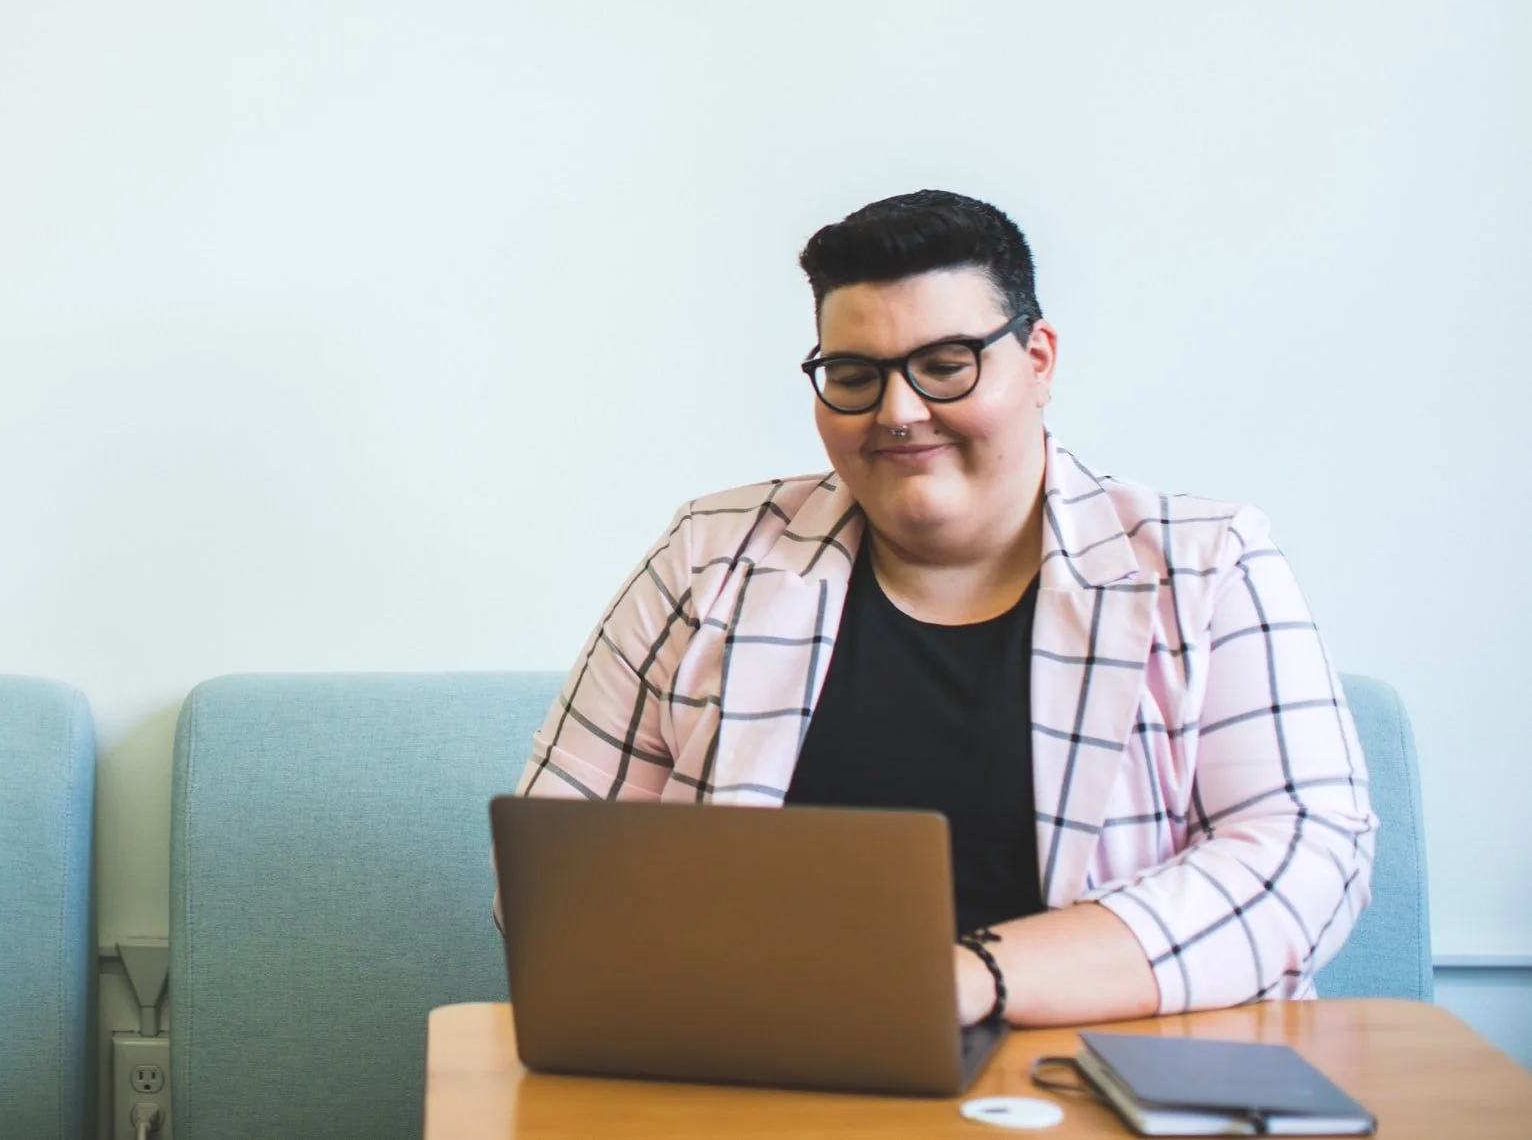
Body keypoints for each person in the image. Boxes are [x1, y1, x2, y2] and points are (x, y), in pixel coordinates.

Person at [517, 191, 1375, 1028]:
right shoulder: (710, 556)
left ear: (1037, 359)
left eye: (946, 364)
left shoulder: (1206, 562)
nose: (898, 412)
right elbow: (553, 866)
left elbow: (1306, 860)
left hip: (1102, 1073)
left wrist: (967, 977)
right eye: (854, 375)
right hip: (764, 1067)